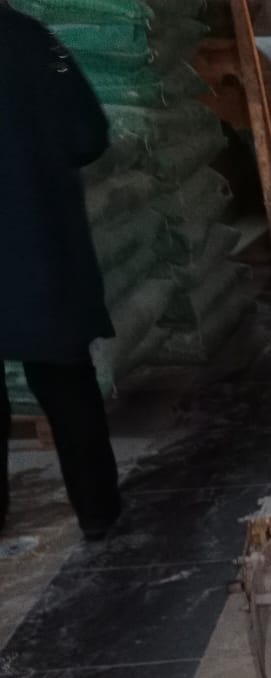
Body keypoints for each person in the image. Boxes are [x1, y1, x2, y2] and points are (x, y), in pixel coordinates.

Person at [0, 3, 121, 540]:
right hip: (39, 243)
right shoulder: (30, 39)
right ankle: (98, 513)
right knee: (65, 382)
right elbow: (88, 134)